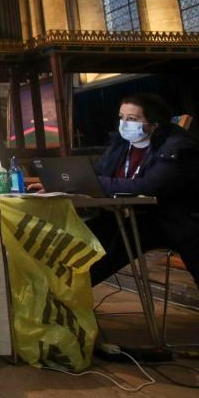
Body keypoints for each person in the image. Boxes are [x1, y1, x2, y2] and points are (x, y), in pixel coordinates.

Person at [83, 94, 199, 287]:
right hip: (133, 215)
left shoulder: (177, 145)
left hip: (174, 219)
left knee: (117, 240)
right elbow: (99, 172)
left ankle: (73, 294)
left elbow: (149, 186)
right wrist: (69, 182)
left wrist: (96, 183)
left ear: (155, 124)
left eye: (133, 119)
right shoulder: (121, 144)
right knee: (87, 234)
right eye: (122, 117)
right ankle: (69, 295)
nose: (125, 124)